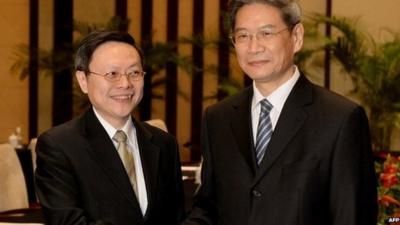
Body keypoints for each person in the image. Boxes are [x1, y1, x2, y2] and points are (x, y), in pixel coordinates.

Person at [183, 0, 377, 225]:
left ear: (296, 37)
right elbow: (208, 208)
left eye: (266, 33)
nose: (254, 47)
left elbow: (352, 215)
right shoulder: (218, 117)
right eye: (243, 36)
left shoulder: (340, 119)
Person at [35, 31, 184, 225]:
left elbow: (176, 218)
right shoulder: (58, 146)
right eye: (112, 74)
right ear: (83, 80)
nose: (125, 83)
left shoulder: (164, 143)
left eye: (134, 73)